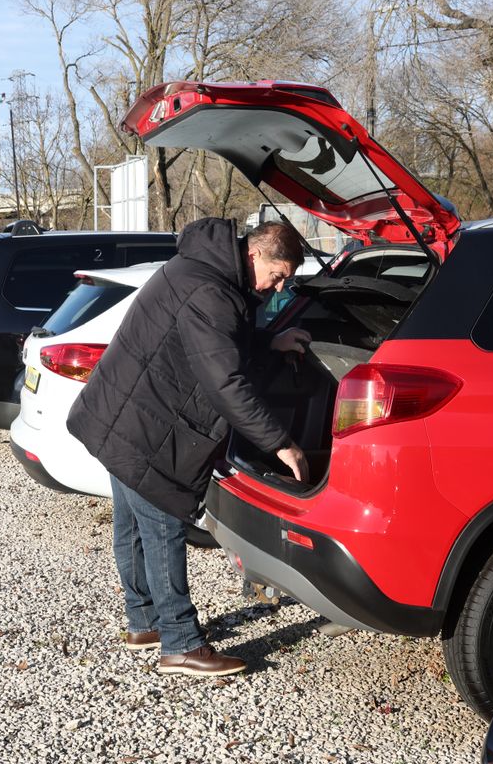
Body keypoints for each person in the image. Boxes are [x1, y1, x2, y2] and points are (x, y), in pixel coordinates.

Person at [67, 217, 311, 676]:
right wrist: (280, 443)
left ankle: (145, 622)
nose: (278, 287)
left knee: (134, 527)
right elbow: (225, 378)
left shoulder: (201, 268)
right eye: (278, 276)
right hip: (146, 428)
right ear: (255, 254)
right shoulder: (212, 291)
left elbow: (217, 344)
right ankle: (180, 642)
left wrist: (270, 341)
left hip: (122, 416)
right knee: (163, 529)